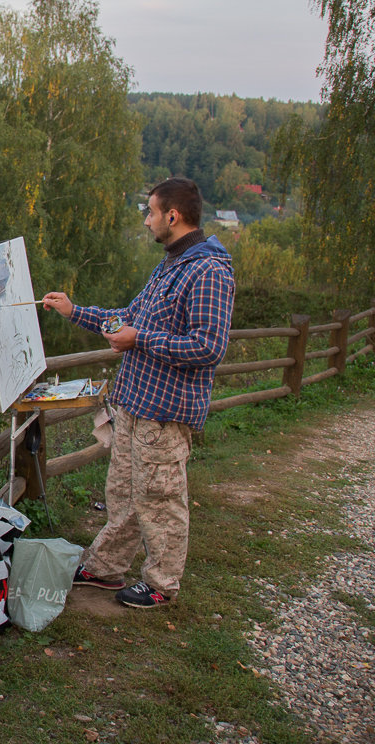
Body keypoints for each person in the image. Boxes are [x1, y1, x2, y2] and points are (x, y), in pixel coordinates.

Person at [42, 177, 235, 609]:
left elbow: (209, 346)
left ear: (173, 215)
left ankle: (162, 584)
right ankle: (107, 567)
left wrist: (140, 340)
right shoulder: (169, 266)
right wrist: (75, 312)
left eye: (150, 212)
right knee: (125, 494)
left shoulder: (208, 271)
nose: (146, 221)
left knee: (160, 500)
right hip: (134, 405)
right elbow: (127, 320)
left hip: (163, 414)